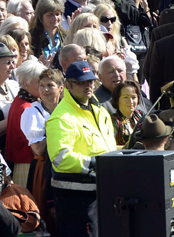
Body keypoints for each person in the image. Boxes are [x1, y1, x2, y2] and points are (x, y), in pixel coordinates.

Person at [45, 60, 116, 236]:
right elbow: (61, 159)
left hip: (99, 192)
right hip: (76, 200)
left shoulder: (98, 109)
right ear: (68, 85)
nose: (88, 86)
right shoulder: (62, 116)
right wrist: (96, 164)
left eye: (90, 81)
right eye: (81, 82)